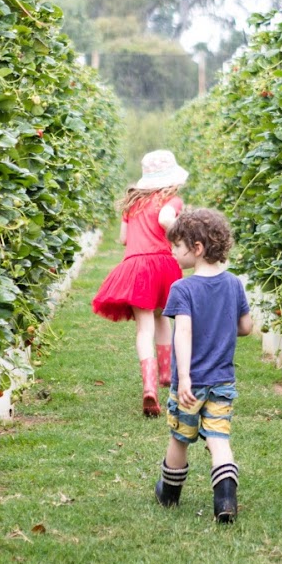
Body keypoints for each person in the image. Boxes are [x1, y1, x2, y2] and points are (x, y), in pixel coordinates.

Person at [153, 207, 252, 523]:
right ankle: (225, 500)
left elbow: (182, 333)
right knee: (219, 438)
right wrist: (222, 325)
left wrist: (182, 380)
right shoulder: (234, 284)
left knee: (180, 436)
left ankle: (169, 493)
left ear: (196, 249)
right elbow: (246, 327)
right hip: (223, 380)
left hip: (191, 384)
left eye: (177, 245)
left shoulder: (183, 288)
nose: (173, 251)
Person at [91, 150, 187, 417]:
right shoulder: (171, 200)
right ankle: (167, 374)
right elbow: (167, 219)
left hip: (137, 266)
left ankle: (149, 385)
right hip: (165, 264)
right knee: (163, 318)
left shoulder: (132, 205)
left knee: (143, 328)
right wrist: (179, 235)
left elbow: (122, 239)